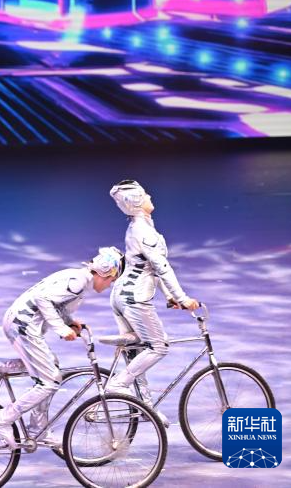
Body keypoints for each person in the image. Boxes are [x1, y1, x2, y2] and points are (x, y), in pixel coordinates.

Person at [0, 247, 124, 448]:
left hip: (23, 325)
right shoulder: (78, 281)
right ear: (104, 272)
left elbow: (56, 304)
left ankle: (38, 429)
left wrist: (68, 322)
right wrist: (61, 328)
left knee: (53, 367)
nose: (110, 285)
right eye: (111, 280)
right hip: (22, 326)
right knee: (49, 382)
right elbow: (42, 299)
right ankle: (3, 418)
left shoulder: (79, 279)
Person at [107, 180, 199, 426]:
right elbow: (162, 267)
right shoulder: (144, 231)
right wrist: (182, 297)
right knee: (159, 346)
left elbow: (146, 267)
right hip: (134, 299)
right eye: (145, 194)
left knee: (136, 351)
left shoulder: (139, 226)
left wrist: (169, 297)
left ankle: (145, 407)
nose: (149, 195)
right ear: (137, 202)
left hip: (121, 296)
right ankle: (118, 384)